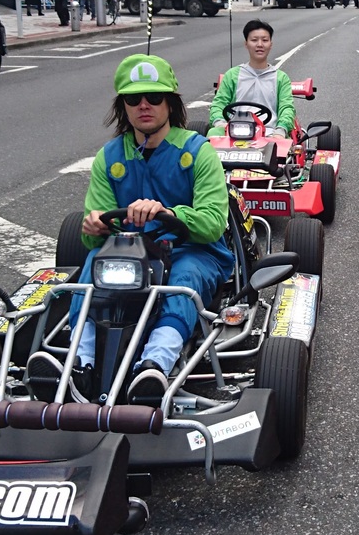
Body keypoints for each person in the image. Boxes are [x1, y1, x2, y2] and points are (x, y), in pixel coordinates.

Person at [48, 54, 235, 404]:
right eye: (134, 99)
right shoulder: (109, 156)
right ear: (123, 106)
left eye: (154, 97)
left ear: (170, 102)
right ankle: (80, 363)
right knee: (92, 268)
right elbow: (92, 233)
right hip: (128, 252)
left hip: (191, 249)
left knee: (184, 278)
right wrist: (94, 226)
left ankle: (154, 366)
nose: (144, 106)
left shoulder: (198, 152)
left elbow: (211, 223)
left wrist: (167, 213)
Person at [210, 19, 295, 138]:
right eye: (254, 40)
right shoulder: (232, 75)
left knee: (284, 145)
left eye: (264, 40)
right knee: (211, 135)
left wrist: (281, 129)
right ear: (246, 44)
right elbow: (219, 103)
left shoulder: (281, 78)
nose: (259, 44)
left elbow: (286, 107)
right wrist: (219, 122)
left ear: (270, 44)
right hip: (233, 132)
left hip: (269, 133)